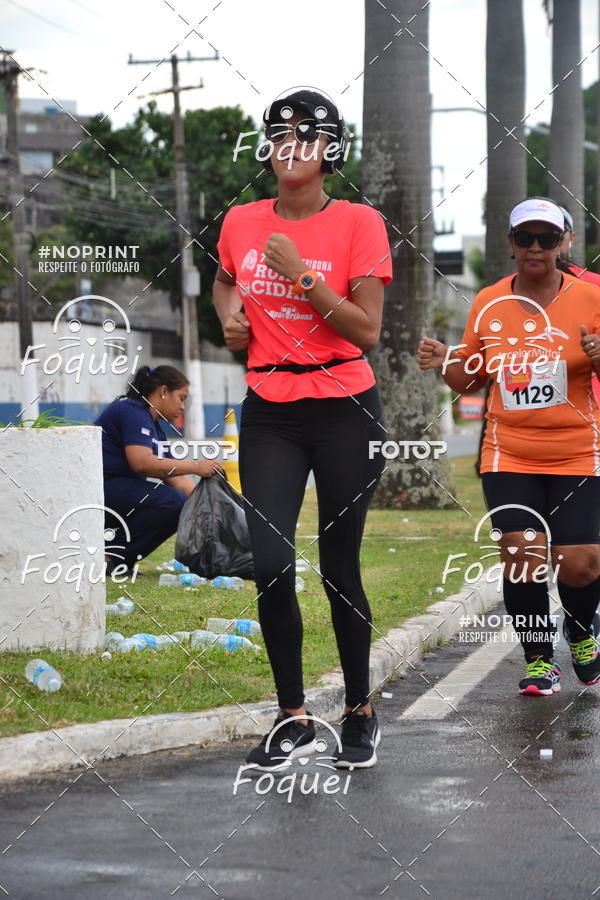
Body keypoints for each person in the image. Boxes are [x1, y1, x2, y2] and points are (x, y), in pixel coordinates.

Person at [213, 87, 392, 769]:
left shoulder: (358, 223)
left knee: (339, 567)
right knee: (269, 561)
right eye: (281, 135)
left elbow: (367, 329)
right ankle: (291, 715)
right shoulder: (240, 220)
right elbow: (227, 282)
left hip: (345, 404)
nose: (292, 147)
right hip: (271, 410)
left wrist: (304, 279)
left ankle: (359, 711)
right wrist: (230, 316)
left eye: (307, 136)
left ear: (329, 151)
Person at [418, 197, 600, 696]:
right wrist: (444, 361)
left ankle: (583, 634)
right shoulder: (490, 301)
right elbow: (470, 379)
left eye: (547, 238)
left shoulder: (592, 295)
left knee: (579, 560)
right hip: (509, 451)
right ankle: (540, 660)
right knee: (522, 554)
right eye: (526, 238)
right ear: (511, 244)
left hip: (579, 449)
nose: (536, 247)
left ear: (566, 241)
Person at [94, 365, 222, 576]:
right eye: (181, 398)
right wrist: (196, 466)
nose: (183, 407)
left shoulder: (155, 429)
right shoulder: (131, 410)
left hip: (117, 493)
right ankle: (108, 557)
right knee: (171, 502)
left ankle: (118, 561)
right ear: (163, 391)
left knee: (182, 503)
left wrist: (211, 504)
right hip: (98, 491)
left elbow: (177, 480)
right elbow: (142, 463)